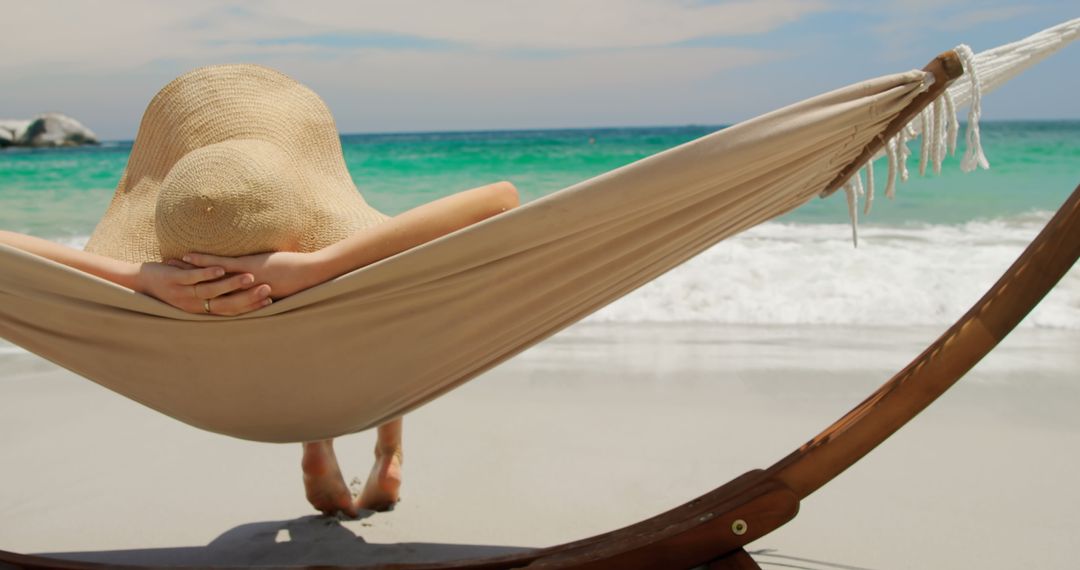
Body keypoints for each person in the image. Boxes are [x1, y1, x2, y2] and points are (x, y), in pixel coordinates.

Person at [0, 63, 520, 517]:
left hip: (262, 388)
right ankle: (390, 453)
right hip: (359, 362)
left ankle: (316, 443)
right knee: (386, 291)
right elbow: (502, 198)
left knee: (307, 334)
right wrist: (320, 265)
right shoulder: (321, 264)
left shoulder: (158, 296)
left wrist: (137, 278)